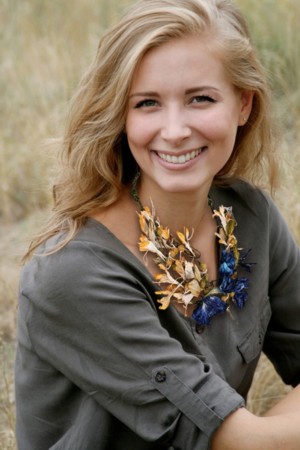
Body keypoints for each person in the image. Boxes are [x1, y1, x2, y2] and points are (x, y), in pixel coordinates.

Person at [15, 0, 300, 448]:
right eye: (147, 103)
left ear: (243, 104)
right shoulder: (73, 273)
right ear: (120, 116)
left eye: (200, 99)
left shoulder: (250, 217)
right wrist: (260, 435)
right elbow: (239, 442)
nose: (174, 130)